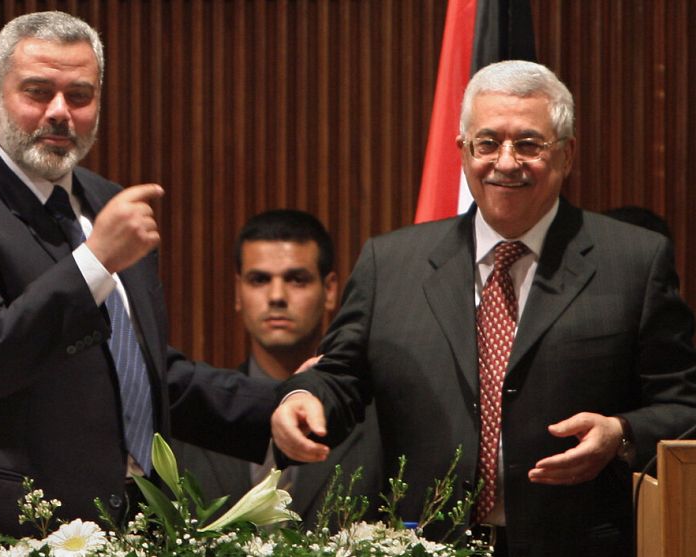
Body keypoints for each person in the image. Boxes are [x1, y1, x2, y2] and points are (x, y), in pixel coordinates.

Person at [270, 60, 696, 557]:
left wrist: (621, 435)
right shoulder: (390, 263)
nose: (507, 162)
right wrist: (300, 397)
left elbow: (684, 407)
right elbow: (340, 375)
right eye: (488, 142)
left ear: (567, 154)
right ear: (463, 151)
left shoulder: (634, 262)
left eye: (529, 144)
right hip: (421, 543)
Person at [0, 11, 275, 536]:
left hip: (123, 523)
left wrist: (280, 404)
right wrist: (94, 261)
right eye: (37, 91)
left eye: (79, 96)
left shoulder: (104, 202)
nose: (59, 113)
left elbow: (136, 375)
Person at [173, 210, 384, 529]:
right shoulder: (193, 412)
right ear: (238, 292)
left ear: (329, 291)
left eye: (296, 279)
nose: (276, 297)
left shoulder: (378, 422)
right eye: (259, 280)